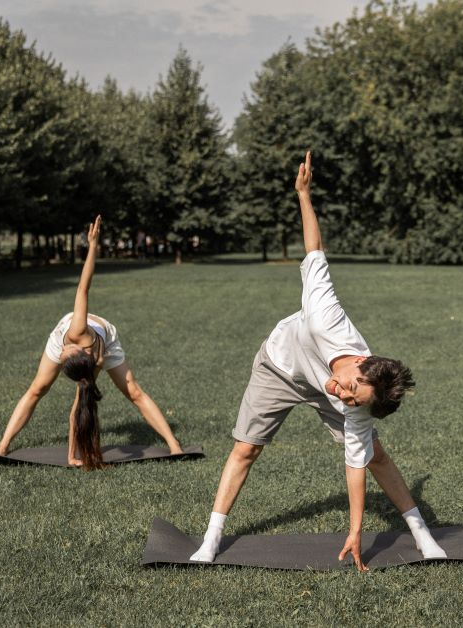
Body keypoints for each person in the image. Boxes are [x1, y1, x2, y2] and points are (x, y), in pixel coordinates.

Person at [189, 152, 446, 571]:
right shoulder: (326, 314)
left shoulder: (357, 401)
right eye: (349, 387)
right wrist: (304, 195)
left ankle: (422, 533)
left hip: (310, 375)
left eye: (352, 401)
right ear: (360, 362)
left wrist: (356, 529)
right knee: (246, 449)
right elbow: (314, 250)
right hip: (279, 365)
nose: (342, 395)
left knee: (375, 454)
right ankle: (211, 538)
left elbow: (356, 464)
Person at [0, 215, 182, 469]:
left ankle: (174, 445)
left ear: (74, 352)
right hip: (81, 342)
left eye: (60, 356)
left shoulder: (79, 333)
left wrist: (93, 246)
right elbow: (82, 290)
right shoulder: (71, 337)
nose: (59, 354)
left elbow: (83, 287)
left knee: (134, 392)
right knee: (37, 389)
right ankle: (2, 446)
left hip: (106, 339)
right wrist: (71, 458)